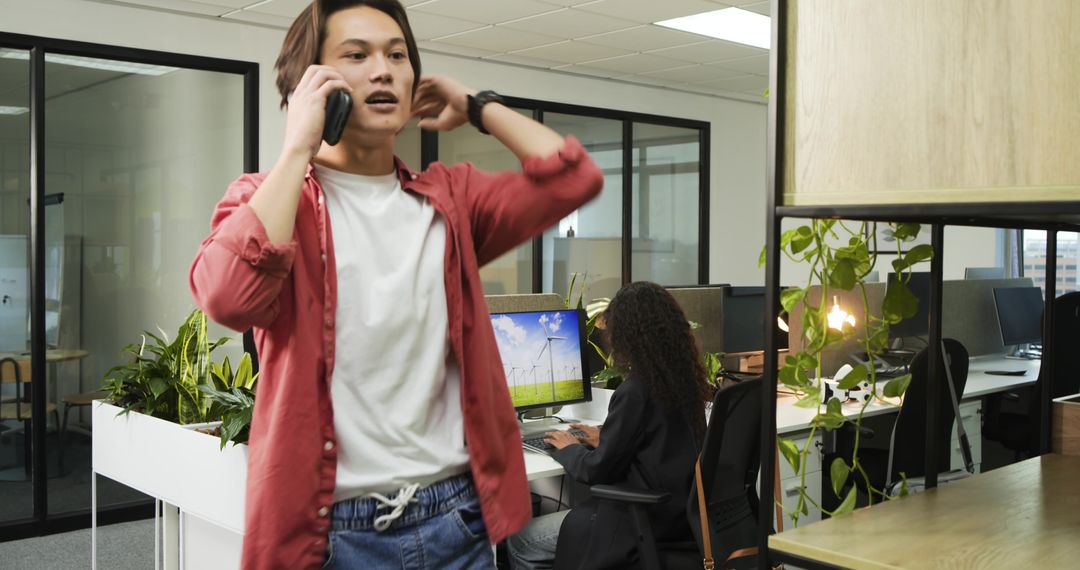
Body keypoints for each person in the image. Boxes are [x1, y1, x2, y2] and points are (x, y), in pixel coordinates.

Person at [188, 0, 603, 567]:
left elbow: (573, 177)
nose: (383, 70)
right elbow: (228, 298)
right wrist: (296, 151)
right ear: (314, 82)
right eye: (356, 55)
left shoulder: (449, 200)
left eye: (398, 55)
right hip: (333, 534)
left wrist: (479, 106)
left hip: (457, 518)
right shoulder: (271, 202)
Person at [507, 281, 711, 570]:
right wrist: (607, 438)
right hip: (681, 517)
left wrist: (568, 448)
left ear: (627, 335)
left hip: (642, 521)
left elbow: (596, 469)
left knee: (522, 540)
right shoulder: (684, 381)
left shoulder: (636, 390)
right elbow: (659, 444)